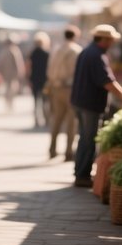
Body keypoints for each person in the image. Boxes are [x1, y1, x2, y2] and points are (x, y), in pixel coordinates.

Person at [71, 24, 122, 188]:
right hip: (89, 104)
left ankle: (80, 172)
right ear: (105, 39)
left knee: (84, 138)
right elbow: (107, 81)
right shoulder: (96, 55)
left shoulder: (87, 52)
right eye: (111, 39)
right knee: (89, 139)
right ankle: (83, 175)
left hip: (81, 102)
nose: (113, 42)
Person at [46, 25, 82, 161]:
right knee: (71, 121)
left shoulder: (56, 49)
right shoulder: (76, 50)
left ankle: (52, 149)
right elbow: (76, 72)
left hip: (56, 88)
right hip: (70, 89)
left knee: (57, 120)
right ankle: (68, 152)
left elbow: (50, 70)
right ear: (75, 36)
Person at [0, 35, 25, 111]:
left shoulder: (3, 51)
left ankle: (8, 102)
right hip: (12, 73)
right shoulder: (14, 50)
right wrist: (20, 72)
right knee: (11, 88)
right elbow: (18, 63)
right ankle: (9, 103)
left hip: (6, 73)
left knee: (9, 88)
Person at [28, 32, 50, 127]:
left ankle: (36, 120)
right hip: (45, 81)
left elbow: (28, 67)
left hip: (34, 80)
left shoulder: (32, 54)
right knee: (45, 101)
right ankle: (46, 120)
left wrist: (29, 79)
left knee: (36, 101)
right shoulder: (47, 54)